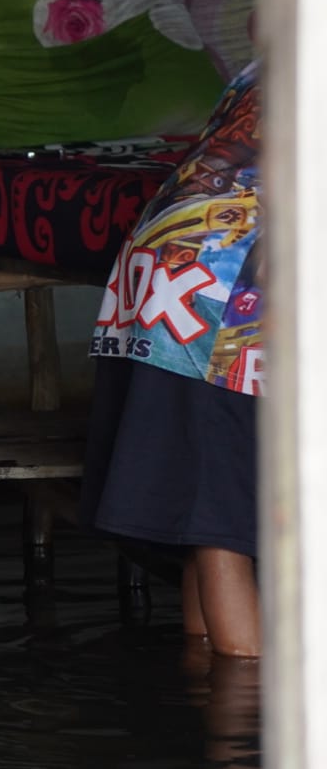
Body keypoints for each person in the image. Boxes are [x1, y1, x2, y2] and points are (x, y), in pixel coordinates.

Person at [81, 60, 263, 658]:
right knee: (224, 520)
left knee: (205, 502)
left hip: (171, 274)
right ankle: (242, 708)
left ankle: (201, 676)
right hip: (220, 294)